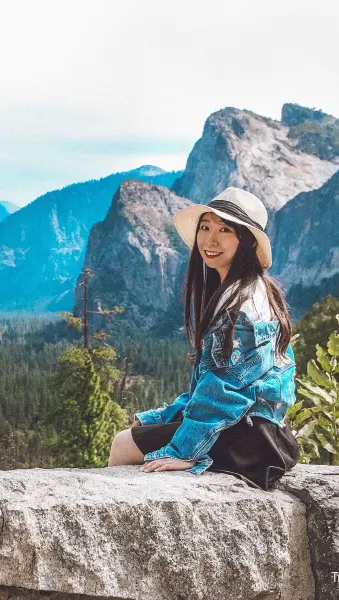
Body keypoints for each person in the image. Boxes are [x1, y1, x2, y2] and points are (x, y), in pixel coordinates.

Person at [107, 186, 300, 491]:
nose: (210, 240)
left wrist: (186, 450)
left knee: (123, 445)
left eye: (225, 230)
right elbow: (217, 384)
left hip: (250, 441)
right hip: (260, 430)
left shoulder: (242, 305)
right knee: (139, 430)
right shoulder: (254, 290)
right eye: (206, 227)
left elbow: (224, 392)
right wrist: (161, 417)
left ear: (247, 242)